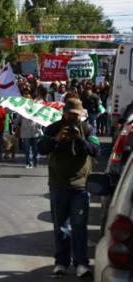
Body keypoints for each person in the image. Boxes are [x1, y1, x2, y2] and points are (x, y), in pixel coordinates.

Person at [38, 98, 100, 278]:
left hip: (80, 186)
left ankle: (81, 263)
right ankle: (61, 263)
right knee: (61, 227)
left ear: (81, 115)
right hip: (58, 185)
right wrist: (56, 139)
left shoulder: (87, 129)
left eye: (76, 115)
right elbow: (41, 148)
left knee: (79, 226)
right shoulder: (53, 128)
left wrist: (79, 139)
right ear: (63, 113)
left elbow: (96, 150)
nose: (72, 118)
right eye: (69, 114)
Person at [16, 92, 43, 168]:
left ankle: (35, 161)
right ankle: (28, 163)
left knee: (35, 148)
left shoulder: (35, 107)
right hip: (25, 130)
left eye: (27, 98)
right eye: (25, 99)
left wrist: (39, 126)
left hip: (34, 130)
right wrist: (15, 124)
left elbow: (39, 117)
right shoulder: (21, 108)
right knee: (27, 148)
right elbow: (18, 118)